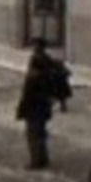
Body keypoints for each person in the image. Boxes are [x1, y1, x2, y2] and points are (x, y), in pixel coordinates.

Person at [15, 39, 70, 169]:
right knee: (41, 133)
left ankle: (36, 161)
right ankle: (43, 158)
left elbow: (27, 94)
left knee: (33, 135)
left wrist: (21, 109)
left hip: (34, 108)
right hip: (44, 106)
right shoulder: (50, 66)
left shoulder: (34, 77)